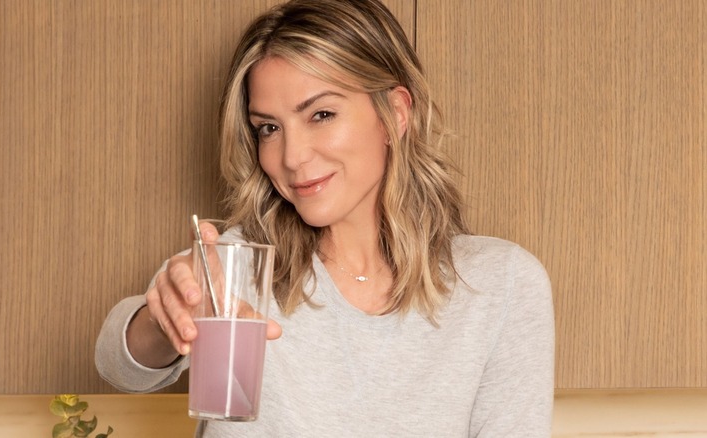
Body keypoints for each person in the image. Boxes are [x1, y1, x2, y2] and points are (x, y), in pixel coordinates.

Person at [95, 0, 554, 436]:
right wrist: (161, 321)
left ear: (395, 113)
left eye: (321, 114)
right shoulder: (237, 269)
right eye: (268, 128)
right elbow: (120, 362)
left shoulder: (500, 285)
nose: (292, 157)